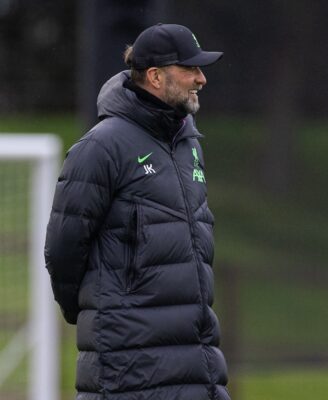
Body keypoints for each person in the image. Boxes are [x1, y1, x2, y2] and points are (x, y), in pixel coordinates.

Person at [44, 23, 230, 399]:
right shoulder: (101, 147)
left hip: (198, 369)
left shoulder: (189, 144)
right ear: (156, 76)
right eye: (190, 69)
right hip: (129, 374)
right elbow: (63, 251)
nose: (201, 79)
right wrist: (103, 317)